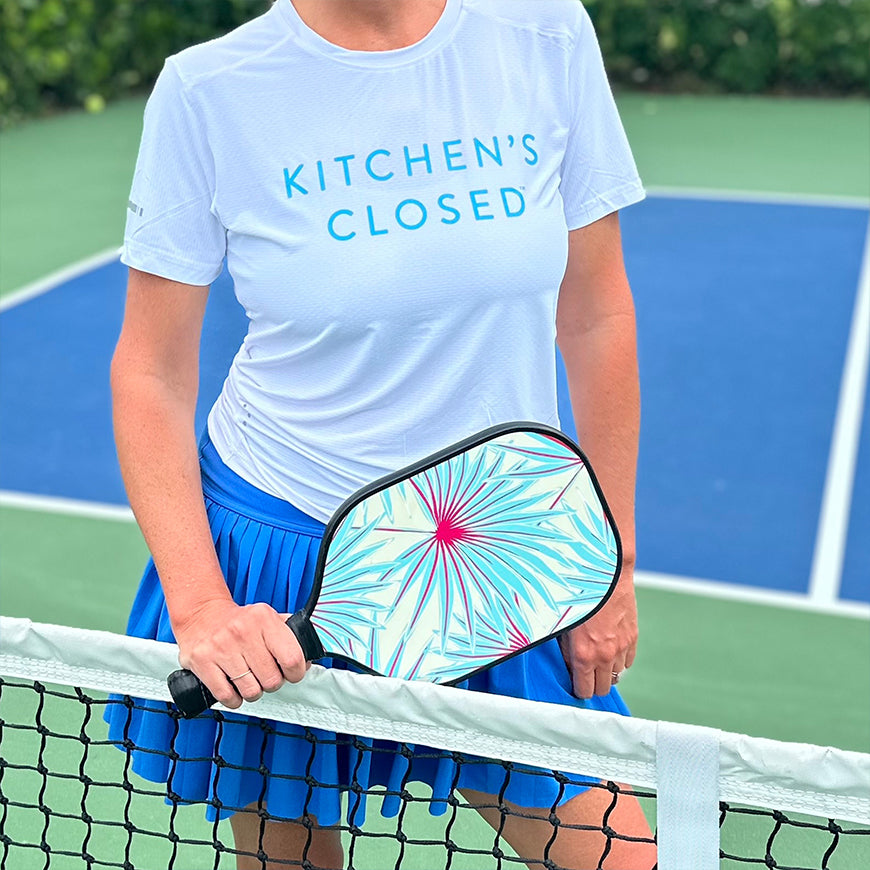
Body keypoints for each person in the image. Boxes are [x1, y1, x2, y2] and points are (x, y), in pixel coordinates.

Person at [107, 0, 656, 867]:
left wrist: (610, 558)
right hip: (287, 553)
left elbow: (595, 314)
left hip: (496, 552)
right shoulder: (208, 90)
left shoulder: (545, 34)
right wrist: (204, 604)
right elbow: (151, 371)